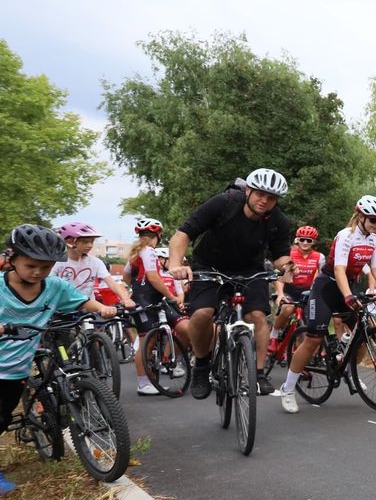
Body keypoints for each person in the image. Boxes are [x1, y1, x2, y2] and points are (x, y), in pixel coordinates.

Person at [0, 225, 116, 493]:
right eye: (31, 265)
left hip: (16, 370)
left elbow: (81, 301)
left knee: (3, 417)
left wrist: (103, 308)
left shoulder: (54, 286)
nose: (39, 272)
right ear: (12, 258)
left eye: (46, 266)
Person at [167, 168, 293, 398]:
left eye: (271, 198)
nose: (264, 201)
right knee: (203, 313)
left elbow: (280, 255)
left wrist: (288, 267)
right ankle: (202, 365)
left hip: (249, 270)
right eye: (260, 194)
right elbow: (182, 234)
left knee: (257, 316)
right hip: (209, 266)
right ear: (248, 191)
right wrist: (175, 264)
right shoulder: (223, 204)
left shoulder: (278, 222)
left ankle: (260, 372)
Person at [276, 195, 376, 414]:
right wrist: (347, 296)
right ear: (361, 216)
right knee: (314, 338)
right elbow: (339, 269)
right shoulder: (346, 236)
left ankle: (344, 365)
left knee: (364, 332)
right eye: (374, 219)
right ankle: (288, 388)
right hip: (327, 287)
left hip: (349, 285)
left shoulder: (373, 240)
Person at [125, 220, 188, 395]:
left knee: (148, 340)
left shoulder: (135, 253)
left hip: (142, 299)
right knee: (146, 343)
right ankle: (143, 384)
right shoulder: (149, 252)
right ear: (158, 236)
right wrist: (171, 296)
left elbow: (126, 276)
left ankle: (151, 376)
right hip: (148, 300)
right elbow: (153, 278)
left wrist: (138, 290)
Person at [268, 225, 324, 357]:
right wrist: (280, 294)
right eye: (302, 239)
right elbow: (281, 277)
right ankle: (274, 336)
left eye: (309, 240)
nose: (305, 243)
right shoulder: (289, 254)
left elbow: (322, 277)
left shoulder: (319, 257)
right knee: (287, 309)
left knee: (308, 322)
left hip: (307, 292)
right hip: (289, 289)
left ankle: (300, 355)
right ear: (297, 240)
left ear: (314, 242)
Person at [52, 222, 135, 310]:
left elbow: (112, 283)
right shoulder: (57, 262)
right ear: (69, 242)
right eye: (85, 242)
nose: (90, 245)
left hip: (88, 308)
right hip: (61, 309)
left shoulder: (95, 262)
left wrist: (126, 299)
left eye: (92, 242)